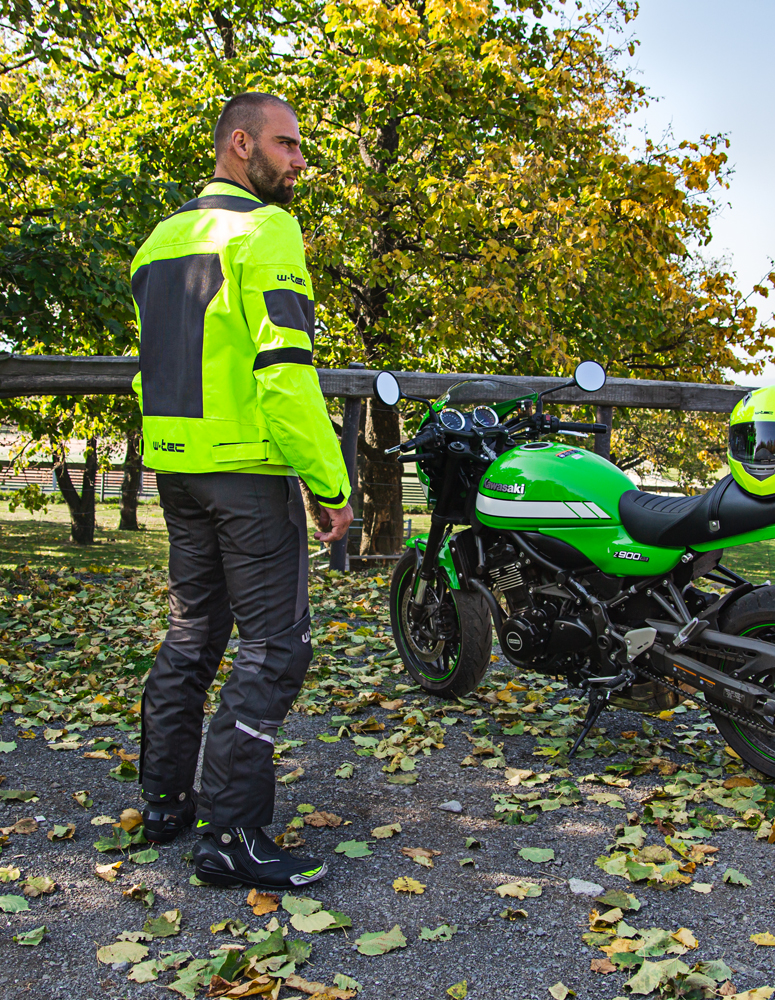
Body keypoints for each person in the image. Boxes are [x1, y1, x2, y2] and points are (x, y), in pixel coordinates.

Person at [130, 92, 353, 889]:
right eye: (287, 145)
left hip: (179, 470)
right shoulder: (265, 230)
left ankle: (164, 801)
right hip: (248, 477)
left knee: (193, 636)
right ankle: (231, 837)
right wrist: (331, 484)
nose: (299, 162)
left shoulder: (157, 244)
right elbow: (286, 376)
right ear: (239, 145)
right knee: (274, 649)